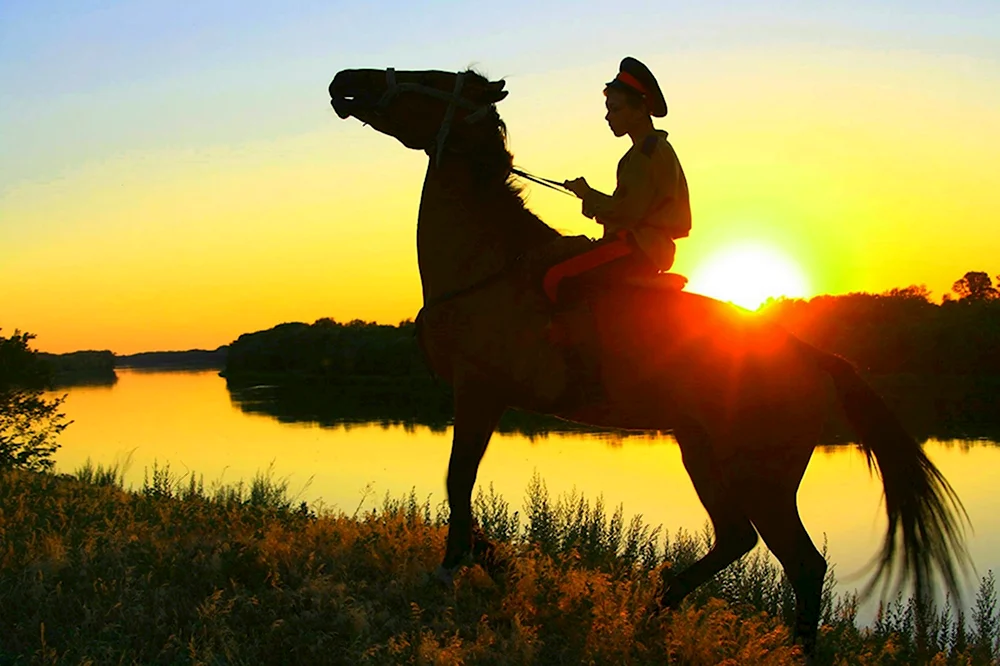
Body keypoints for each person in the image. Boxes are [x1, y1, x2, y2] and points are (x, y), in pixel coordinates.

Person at [561, 56, 691, 289]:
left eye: (616, 109)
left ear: (640, 110)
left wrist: (587, 194)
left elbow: (627, 212)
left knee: (559, 277)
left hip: (638, 249)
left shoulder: (647, 152)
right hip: (643, 248)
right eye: (608, 109)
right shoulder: (647, 150)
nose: (608, 116)